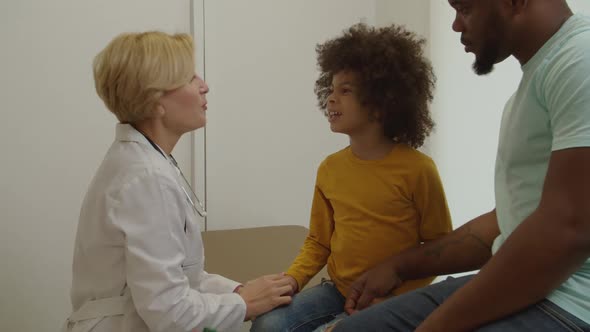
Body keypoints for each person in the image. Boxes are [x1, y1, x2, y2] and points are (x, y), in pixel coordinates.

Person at [329, 1, 590, 331]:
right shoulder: (538, 79)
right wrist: (399, 266)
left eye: (465, 8)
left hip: (573, 303)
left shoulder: (580, 59)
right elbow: (507, 221)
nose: (455, 25)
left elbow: (567, 231)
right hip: (533, 285)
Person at [63, 31, 292, 332]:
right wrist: (245, 303)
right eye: (189, 78)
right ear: (155, 101)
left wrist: (236, 292)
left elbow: (180, 277)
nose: (204, 86)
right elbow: (169, 312)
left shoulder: (143, 162)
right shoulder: (146, 177)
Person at [250, 23, 452, 332]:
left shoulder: (418, 169)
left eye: (345, 91)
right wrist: (292, 279)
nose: (331, 99)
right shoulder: (330, 169)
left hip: (392, 297)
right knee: (268, 324)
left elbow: (439, 247)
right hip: (338, 290)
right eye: (330, 90)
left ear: (380, 104)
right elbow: (319, 241)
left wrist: (399, 299)